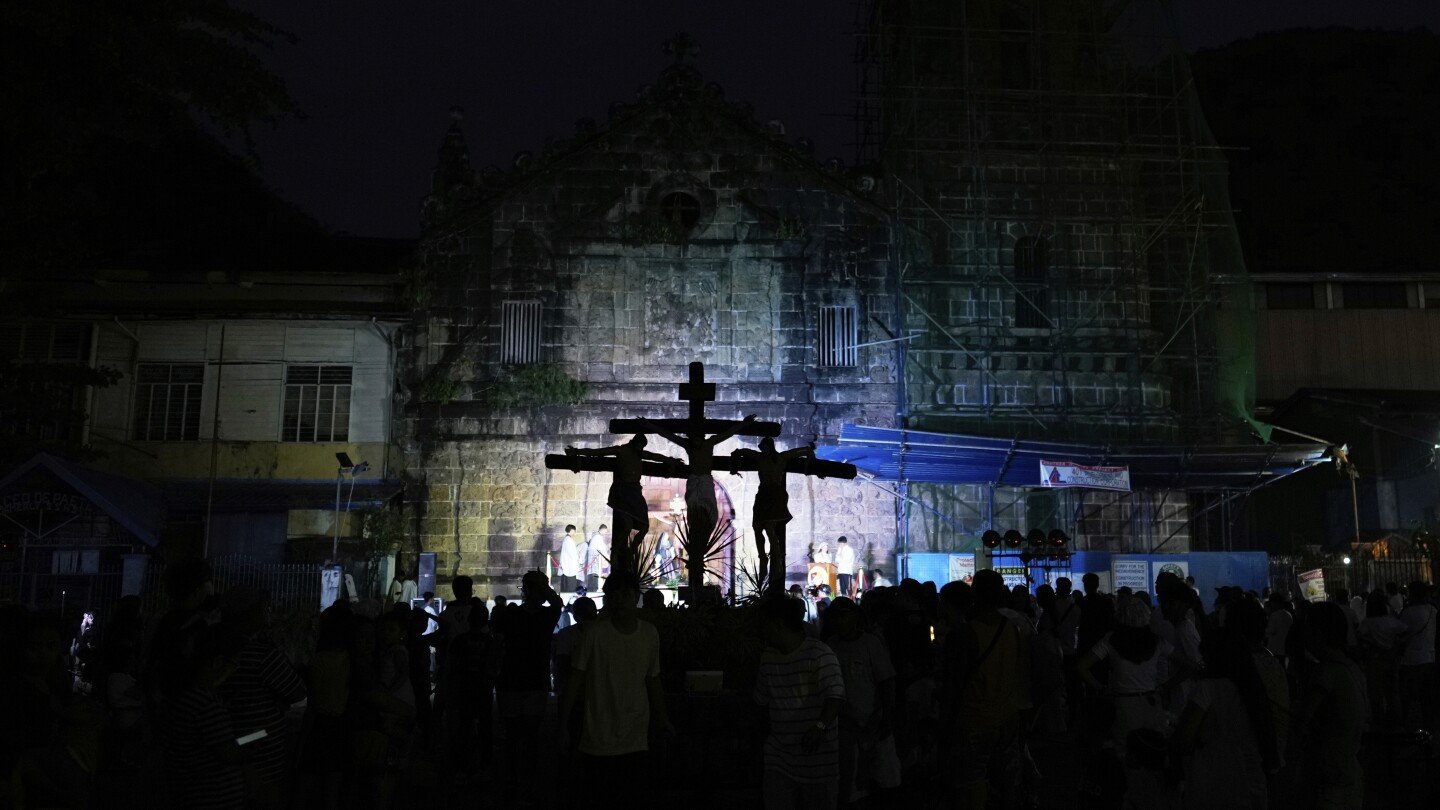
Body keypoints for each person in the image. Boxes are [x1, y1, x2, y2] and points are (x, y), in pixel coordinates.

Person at [560, 574, 671, 805]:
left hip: (635, 733)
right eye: (615, 595)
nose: (620, 600)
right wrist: (564, 723)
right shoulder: (595, 634)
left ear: (636, 597)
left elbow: (653, 679)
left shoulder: (649, 634)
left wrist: (661, 718)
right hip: (599, 734)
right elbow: (575, 679)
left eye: (626, 595)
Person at [941, 570, 1031, 809]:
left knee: (971, 781)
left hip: (975, 719)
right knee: (1005, 779)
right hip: (1007, 716)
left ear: (975, 593)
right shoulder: (1012, 628)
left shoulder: (966, 633)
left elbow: (953, 683)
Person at [216, 588, 307, 809]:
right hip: (260, 739)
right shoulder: (261, 653)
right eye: (264, 608)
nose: (269, 612)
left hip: (229, 736)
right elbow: (297, 690)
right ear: (250, 615)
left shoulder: (217, 647)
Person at [753, 594, 845, 810]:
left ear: (777, 625)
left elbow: (835, 696)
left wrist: (819, 727)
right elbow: (761, 700)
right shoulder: (769, 657)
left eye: (763, 625)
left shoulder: (819, 654)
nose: (760, 631)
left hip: (817, 759)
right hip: (779, 757)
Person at [493, 570, 564, 802]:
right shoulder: (517, 614)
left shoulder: (540, 615)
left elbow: (556, 603)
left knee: (528, 736)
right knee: (516, 736)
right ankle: (516, 781)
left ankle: (523, 782)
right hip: (517, 680)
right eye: (540, 587)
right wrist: (543, 588)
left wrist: (541, 587)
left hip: (528, 681)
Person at [160, 626, 248, 810]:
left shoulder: (185, 695)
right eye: (234, 664)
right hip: (212, 797)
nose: (235, 670)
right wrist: (256, 735)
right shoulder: (207, 703)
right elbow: (228, 751)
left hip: (190, 793)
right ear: (217, 662)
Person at [822, 598, 899, 805]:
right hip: (846, 726)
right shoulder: (830, 646)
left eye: (844, 615)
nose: (840, 621)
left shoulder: (870, 643)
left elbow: (886, 682)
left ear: (855, 617)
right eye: (836, 616)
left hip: (873, 721)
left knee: (881, 780)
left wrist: (885, 718)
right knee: (852, 783)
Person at [566, 435, 679, 573]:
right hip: (623, 491)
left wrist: (670, 460)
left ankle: (630, 552)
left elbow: (655, 456)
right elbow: (600, 452)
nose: (641, 448)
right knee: (626, 526)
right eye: (639, 445)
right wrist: (578, 452)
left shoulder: (640, 453)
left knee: (644, 526)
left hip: (635, 492)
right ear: (634, 443)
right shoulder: (621, 451)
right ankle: (616, 552)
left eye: (642, 447)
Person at [1294, 602, 1369, 808]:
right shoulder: (1352, 667)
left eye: (1307, 629)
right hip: (1350, 768)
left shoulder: (1325, 673)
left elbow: (1303, 722)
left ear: (1318, 633)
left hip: (1329, 773)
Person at [732, 437, 814, 591]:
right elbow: (741, 452)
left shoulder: (776, 457)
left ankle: (775, 562)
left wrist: (810, 457)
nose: (761, 449)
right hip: (765, 493)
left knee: (769, 529)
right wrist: (734, 465)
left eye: (763, 447)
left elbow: (801, 451)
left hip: (773, 494)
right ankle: (763, 557)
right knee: (757, 527)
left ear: (768, 446)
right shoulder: (767, 457)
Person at [1357, 590, 1406, 720]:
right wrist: (1397, 646)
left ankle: (1378, 718)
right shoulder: (1391, 621)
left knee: (1375, 691)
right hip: (1391, 658)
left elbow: (1360, 637)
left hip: (1374, 659)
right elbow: (1405, 631)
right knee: (1391, 690)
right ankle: (1395, 717)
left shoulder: (1367, 623)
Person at [1396, 581, 1436, 731]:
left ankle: (1408, 725)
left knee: (1409, 694)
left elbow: (1400, 632)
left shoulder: (1407, 613)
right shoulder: (1433, 610)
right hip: (1429, 657)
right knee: (1427, 695)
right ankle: (1428, 724)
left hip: (1411, 659)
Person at [583, 525, 610, 592]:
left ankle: (592, 589)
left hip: (594, 561)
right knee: (594, 576)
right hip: (594, 561)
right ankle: (593, 590)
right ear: (602, 530)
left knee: (593, 575)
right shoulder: (597, 537)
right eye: (605, 531)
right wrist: (608, 557)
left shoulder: (596, 536)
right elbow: (602, 550)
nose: (605, 533)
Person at [558, 524, 581, 592]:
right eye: (574, 531)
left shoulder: (567, 539)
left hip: (568, 563)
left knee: (568, 582)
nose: (574, 532)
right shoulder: (568, 540)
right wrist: (578, 558)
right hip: (569, 565)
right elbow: (572, 553)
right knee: (570, 584)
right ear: (571, 530)